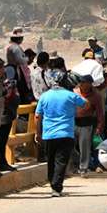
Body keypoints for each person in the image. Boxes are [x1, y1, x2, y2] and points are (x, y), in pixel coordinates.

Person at [35, 69, 88, 197]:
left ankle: (53, 184)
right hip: (66, 133)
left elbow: (38, 116)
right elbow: (85, 104)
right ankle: (56, 187)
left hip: (48, 134)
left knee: (51, 160)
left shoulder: (44, 96)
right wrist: (76, 93)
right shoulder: (71, 95)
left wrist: (38, 133)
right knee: (61, 161)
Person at [74, 75, 104, 177]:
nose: (81, 84)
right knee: (69, 145)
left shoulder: (96, 95)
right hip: (72, 122)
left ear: (90, 84)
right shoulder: (75, 92)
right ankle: (74, 165)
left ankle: (83, 168)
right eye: (80, 82)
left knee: (84, 147)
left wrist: (99, 126)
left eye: (84, 83)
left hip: (86, 123)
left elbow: (100, 112)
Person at [6, 27, 33, 103]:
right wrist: (27, 59)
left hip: (12, 68)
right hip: (15, 68)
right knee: (19, 85)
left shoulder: (11, 46)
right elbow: (20, 60)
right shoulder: (16, 48)